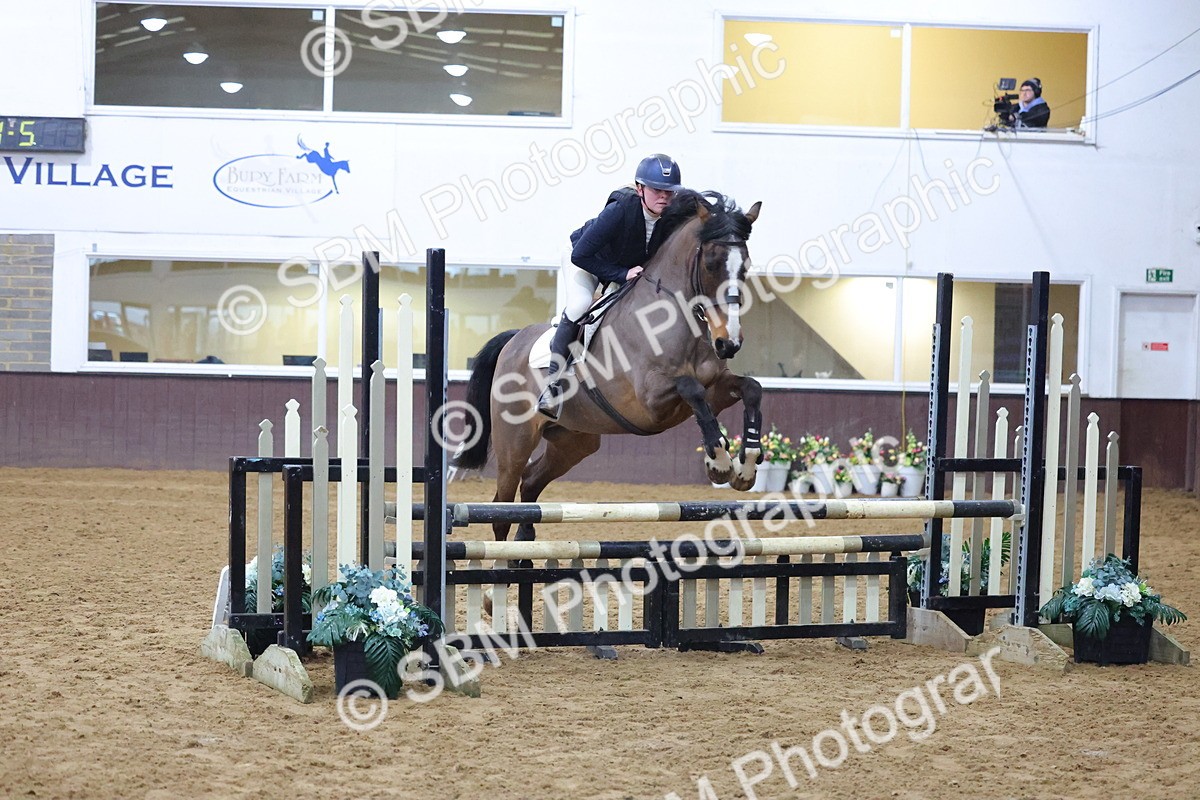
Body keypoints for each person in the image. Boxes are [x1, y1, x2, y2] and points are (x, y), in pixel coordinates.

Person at [535, 153, 683, 420]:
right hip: (585, 259)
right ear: (640, 189)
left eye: (669, 192)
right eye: (656, 190)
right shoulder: (620, 210)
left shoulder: (670, 218)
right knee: (580, 305)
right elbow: (580, 255)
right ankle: (552, 385)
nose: (664, 197)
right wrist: (621, 274)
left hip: (621, 268)